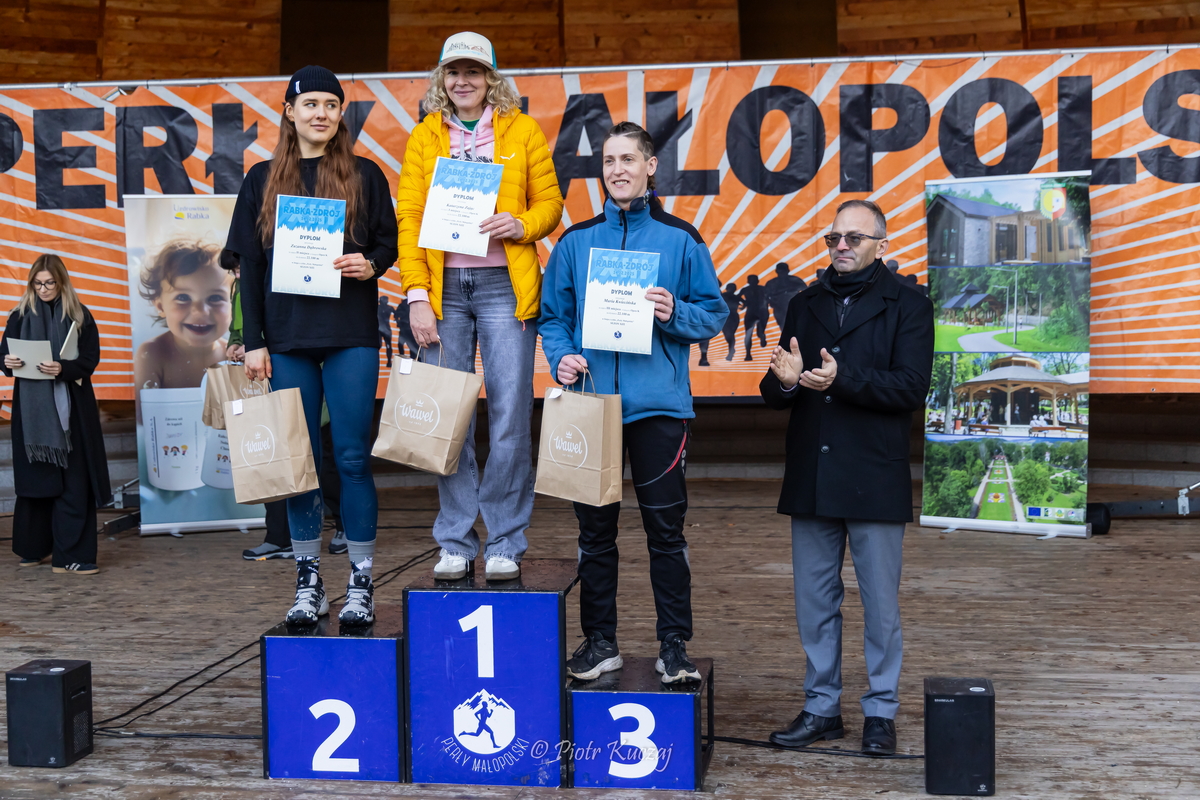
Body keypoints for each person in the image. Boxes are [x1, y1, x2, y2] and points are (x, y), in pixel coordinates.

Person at [539, 121, 727, 685]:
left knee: (666, 534)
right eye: (609, 160)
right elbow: (554, 318)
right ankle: (601, 642)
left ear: (650, 167)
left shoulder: (681, 238)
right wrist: (562, 358)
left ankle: (674, 646)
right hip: (591, 408)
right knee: (594, 535)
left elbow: (713, 315)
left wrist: (675, 313)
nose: (617, 169)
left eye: (628, 159)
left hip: (659, 410)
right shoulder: (576, 242)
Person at [226, 65, 398, 626]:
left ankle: (361, 583)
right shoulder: (261, 179)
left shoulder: (366, 175)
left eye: (330, 104)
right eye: (310, 103)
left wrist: (370, 264)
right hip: (288, 339)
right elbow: (249, 268)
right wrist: (254, 342)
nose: (321, 113)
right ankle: (308, 584)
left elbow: (388, 243)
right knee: (300, 464)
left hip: (350, 335)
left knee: (352, 458)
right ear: (289, 111)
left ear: (341, 113)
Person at [760, 199, 933, 756]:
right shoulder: (804, 303)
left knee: (880, 607)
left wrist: (842, 378)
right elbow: (777, 388)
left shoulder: (909, 303)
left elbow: (911, 387)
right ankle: (821, 708)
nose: (841, 246)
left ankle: (880, 713)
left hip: (873, 474)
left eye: (854, 238)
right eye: (834, 237)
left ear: (882, 245)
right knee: (814, 603)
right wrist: (787, 381)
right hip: (812, 472)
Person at [397, 31, 563, 582]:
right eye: (453, 71)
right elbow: (410, 218)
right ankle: (456, 539)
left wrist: (523, 224)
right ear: (441, 78)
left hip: (503, 287)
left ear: (491, 78)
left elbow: (551, 203)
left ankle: (505, 540)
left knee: (510, 414)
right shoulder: (425, 135)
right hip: (442, 289)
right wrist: (416, 295)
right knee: (449, 416)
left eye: (473, 71)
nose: (462, 81)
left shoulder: (522, 129)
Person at [221, 252, 346, 562]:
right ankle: (279, 537)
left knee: (325, 459)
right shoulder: (239, 288)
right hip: (265, 382)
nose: (238, 274)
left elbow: (285, 324)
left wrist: (258, 345)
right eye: (233, 270)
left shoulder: (287, 277)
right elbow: (240, 327)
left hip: (304, 379)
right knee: (273, 458)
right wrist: (237, 344)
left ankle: (345, 524)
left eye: (240, 267)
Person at [1, 256, 111, 574]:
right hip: (33, 418)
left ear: (62, 282)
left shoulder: (80, 315)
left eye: (50, 282)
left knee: (74, 483)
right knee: (36, 483)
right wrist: (8, 362)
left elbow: (90, 359)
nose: (44, 289)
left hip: (72, 413)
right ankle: (33, 548)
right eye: (38, 283)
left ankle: (72, 556)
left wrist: (63, 368)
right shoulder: (20, 315)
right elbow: (3, 354)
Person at [134, 240, 232, 390]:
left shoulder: (233, 356)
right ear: (160, 306)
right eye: (183, 297)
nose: (200, 311)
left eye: (215, 298)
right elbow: (142, 405)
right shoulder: (152, 355)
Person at [698, 282, 740, 365]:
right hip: (714, 315)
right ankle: (704, 357)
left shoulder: (723, 294)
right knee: (706, 335)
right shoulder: (719, 294)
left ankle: (730, 351)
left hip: (726, 316)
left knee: (729, 335)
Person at [766, 262, 805, 330]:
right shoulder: (771, 283)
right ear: (776, 271)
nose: (782, 273)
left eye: (784, 271)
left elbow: (806, 290)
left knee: (797, 325)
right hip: (779, 307)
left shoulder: (796, 280)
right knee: (784, 327)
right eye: (780, 271)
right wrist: (771, 302)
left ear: (788, 270)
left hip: (794, 306)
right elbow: (765, 296)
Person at [738, 274, 769, 360]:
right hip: (756, 312)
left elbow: (770, 297)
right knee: (749, 333)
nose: (752, 282)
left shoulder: (763, 289)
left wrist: (744, 303)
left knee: (755, 332)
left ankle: (761, 336)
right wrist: (744, 302)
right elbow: (737, 298)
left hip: (760, 312)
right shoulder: (746, 289)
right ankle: (748, 354)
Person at [377, 296, 395, 367]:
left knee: (387, 345)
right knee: (382, 345)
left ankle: (389, 362)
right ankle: (388, 362)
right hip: (381, 328)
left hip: (384, 329)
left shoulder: (389, 308)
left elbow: (397, 315)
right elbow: (397, 315)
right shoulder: (389, 308)